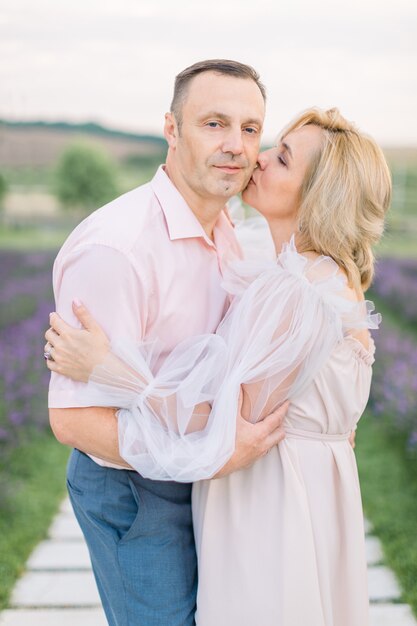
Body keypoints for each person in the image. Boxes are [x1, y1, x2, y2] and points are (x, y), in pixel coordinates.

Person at [45, 107, 391, 625]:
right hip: (291, 492)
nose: (260, 157)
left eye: (283, 158)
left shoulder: (301, 291)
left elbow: (225, 417)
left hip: (268, 503)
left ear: (319, 193)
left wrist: (111, 370)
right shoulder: (306, 273)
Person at [45, 59, 288, 626]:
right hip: (135, 491)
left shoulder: (231, 232)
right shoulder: (119, 250)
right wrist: (210, 455)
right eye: (213, 124)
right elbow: (75, 420)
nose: (235, 145)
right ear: (172, 129)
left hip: (211, 481)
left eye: (250, 129)